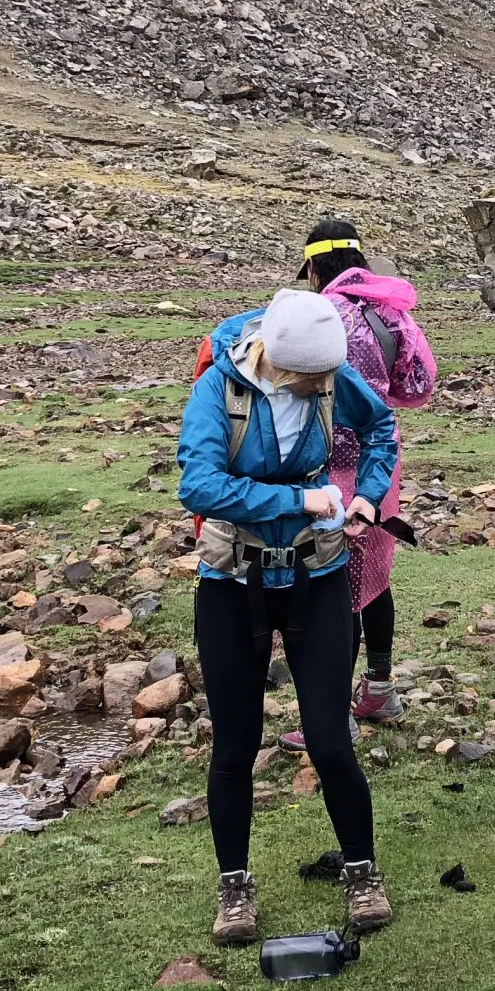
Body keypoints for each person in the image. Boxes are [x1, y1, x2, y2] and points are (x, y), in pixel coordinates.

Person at [179, 286, 401, 948]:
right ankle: (234, 888)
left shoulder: (331, 376)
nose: (323, 389)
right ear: (277, 360)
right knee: (236, 747)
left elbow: (382, 427)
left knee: (332, 742)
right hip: (231, 586)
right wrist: (303, 502)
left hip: (318, 579)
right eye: (311, 381)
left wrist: (365, 498)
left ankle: (362, 872)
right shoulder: (217, 391)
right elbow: (198, 484)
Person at [293, 217, 439, 730]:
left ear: (313, 264)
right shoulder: (390, 312)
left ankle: (334, 713)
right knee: (374, 577)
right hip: (383, 463)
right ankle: (379, 688)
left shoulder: (316, 313)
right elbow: (418, 382)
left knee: (329, 584)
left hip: (325, 469)